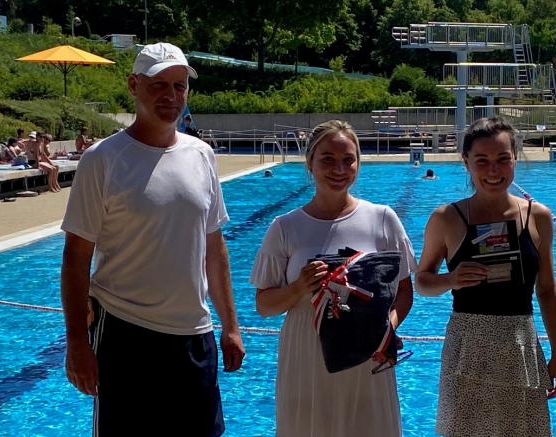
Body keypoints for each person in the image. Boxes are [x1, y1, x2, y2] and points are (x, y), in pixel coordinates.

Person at [60, 41, 244, 437]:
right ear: (133, 85)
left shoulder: (202, 155)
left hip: (195, 335)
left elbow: (215, 248)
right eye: (160, 85)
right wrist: (77, 341)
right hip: (126, 334)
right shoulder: (103, 159)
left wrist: (230, 324)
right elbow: (76, 257)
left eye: (179, 86)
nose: (171, 96)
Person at [251, 120, 415, 436]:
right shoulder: (285, 227)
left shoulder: (383, 219)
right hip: (307, 352)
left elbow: (404, 291)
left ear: (358, 163)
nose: (339, 168)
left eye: (348, 159)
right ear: (310, 163)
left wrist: (387, 331)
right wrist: (299, 287)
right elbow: (263, 304)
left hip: (368, 351)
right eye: (327, 159)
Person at [416, 117, 556, 436]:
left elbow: (548, 290)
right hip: (467, 347)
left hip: (520, 346)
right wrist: (450, 280)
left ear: (515, 159)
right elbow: (422, 281)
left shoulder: (537, 216)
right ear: (466, 162)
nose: (493, 171)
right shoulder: (446, 218)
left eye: (502, 160)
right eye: (482, 161)